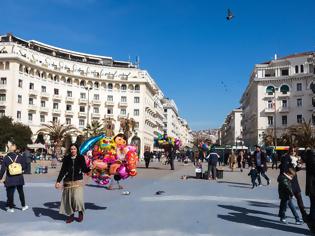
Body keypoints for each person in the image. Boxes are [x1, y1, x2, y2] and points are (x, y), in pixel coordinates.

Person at [55, 144, 91, 224]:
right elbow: (63, 171)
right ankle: (70, 216)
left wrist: (90, 169)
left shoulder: (81, 157)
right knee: (69, 200)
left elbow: (84, 168)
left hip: (78, 181)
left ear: (77, 150)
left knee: (77, 199)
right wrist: (58, 181)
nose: (73, 150)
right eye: (71, 149)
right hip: (68, 182)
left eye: (74, 149)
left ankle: (80, 212)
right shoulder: (67, 158)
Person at [279, 147, 307, 221]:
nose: (293, 152)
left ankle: (304, 215)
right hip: (287, 180)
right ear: (289, 151)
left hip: (294, 180)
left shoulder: (296, 159)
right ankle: (283, 215)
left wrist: (298, 167)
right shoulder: (286, 157)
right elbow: (284, 169)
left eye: (295, 151)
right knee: (286, 200)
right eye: (292, 150)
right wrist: (293, 166)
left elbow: (294, 170)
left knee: (299, 198)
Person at [0, 141, 28, 212]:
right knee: (20, 192)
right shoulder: (20, 157)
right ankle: (23, 206)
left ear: (9, 149)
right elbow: (25, 166)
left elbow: (2, 169)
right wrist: (21, 170)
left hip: (10, 178)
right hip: (19, 178)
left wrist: (0, 178)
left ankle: (11, 208)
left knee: (10, 193)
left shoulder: (6, 158)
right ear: (15, 149)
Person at [303, 148, 315, 233]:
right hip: (313, 187)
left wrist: (306, 150)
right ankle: (312, 224)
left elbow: (303, 156)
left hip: (311, 187)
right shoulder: (312, 160)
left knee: (313, 205)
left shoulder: (309, 158)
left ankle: (310, 219)